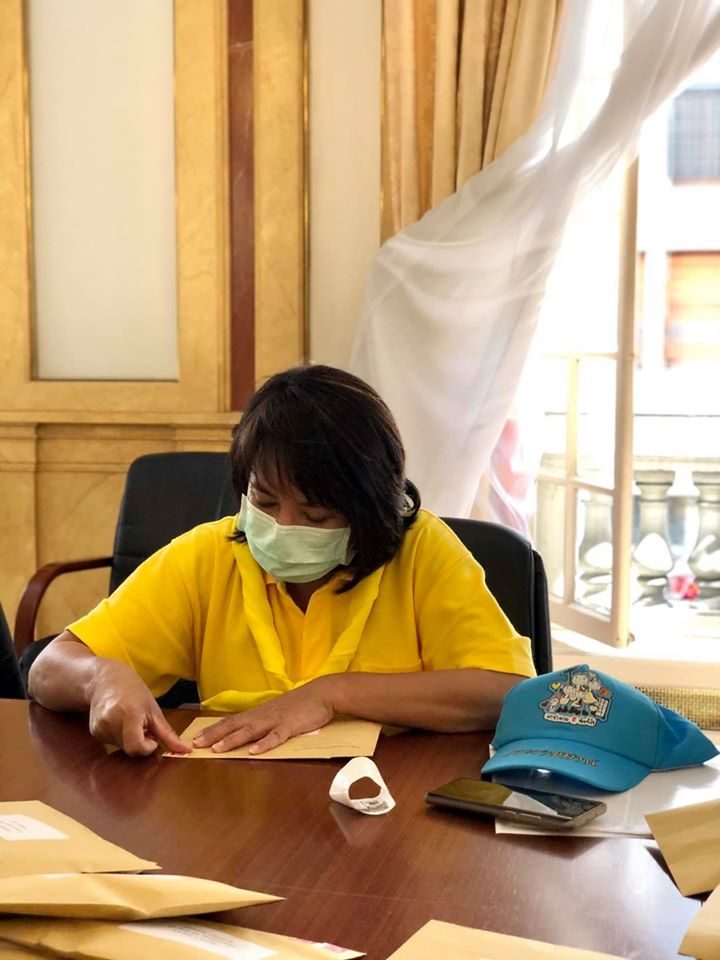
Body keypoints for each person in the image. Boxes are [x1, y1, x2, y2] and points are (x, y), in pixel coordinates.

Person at [29, 365, 536, 757]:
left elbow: (505, 693)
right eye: (265, 502)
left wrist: (334, 695)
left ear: (370, 509)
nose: (284, 527)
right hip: (241, 804)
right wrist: (100, 679)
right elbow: (49, 667)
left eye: (316, 516)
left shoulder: (421, 549)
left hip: (390, 803)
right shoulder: (211, 554)